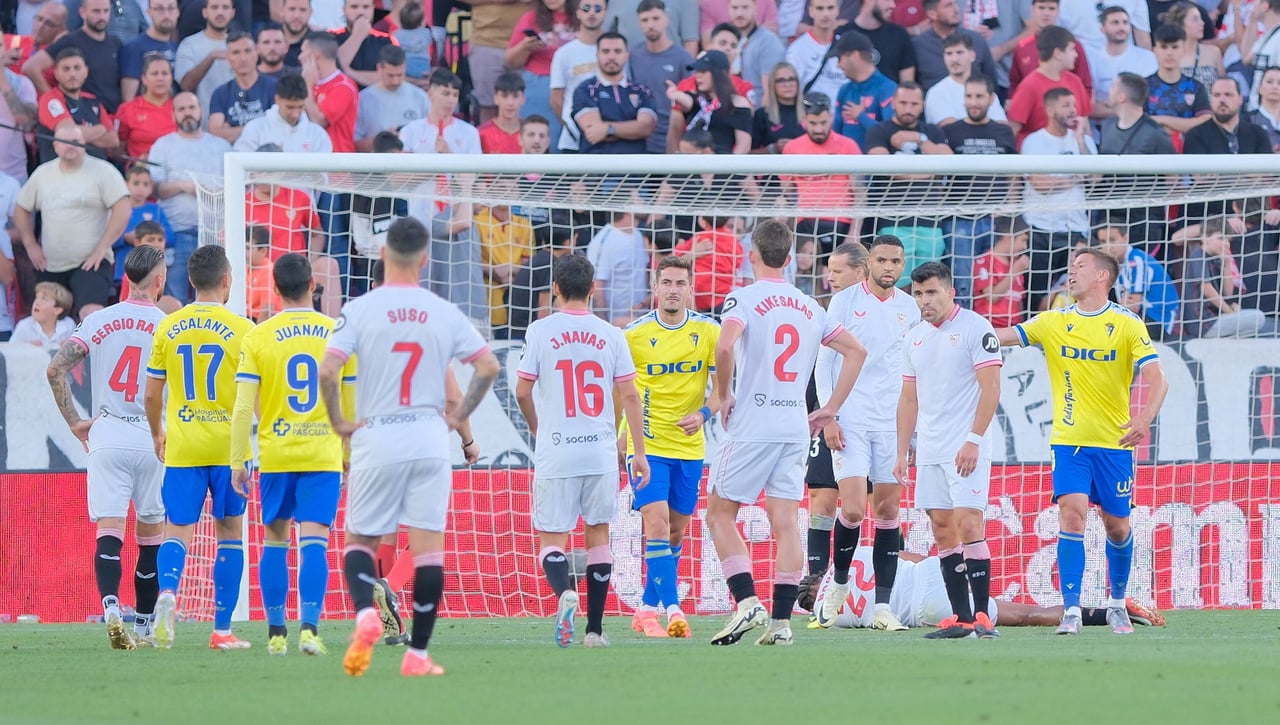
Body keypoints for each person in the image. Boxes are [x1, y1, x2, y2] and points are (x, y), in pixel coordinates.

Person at [321, 217, 499, 677]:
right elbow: (488, 366)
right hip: (427, 438)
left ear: (382, 255)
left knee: (359, 539)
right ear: (424, 259)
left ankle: (365, 614)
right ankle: (417, 655)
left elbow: (327, 370)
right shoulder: (441, 310)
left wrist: (339, 420)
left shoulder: (361, 309)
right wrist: (458, 420)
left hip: (377, 434)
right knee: (428, 552)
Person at [705, 219, 867, 646]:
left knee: (720, 513)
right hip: (795, 424)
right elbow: (856, 350)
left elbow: (724, 345)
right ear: (791, 257)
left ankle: (745, 601)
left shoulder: (743, 297)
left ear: (752, 254)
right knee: (784, 522)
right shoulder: (811, 306)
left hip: (753, 422)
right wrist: (829, 408)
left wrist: (724, 395)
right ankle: (781, 623)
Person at [994, 248, 1169, 634]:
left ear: (1103, 277)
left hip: (1114, 444)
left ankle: (1118, 603)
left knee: (1117, 526)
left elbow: (1159, 379)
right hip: (1069, 442)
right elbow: (1000, 337)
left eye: (1080, 267)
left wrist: (1143, 418)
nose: (1071, 273)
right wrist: (955, 327)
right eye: (1070, 267)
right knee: (1072, 514)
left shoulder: (1127, 324)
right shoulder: (1054, 321)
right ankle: (1071, 610)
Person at [515, 254, 650, 649]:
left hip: (557, 450)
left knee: (552, 541)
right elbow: (630, 395)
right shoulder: (611, 334)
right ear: (593, 289)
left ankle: (563, 595)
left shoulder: (541, 331)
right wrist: (638, 452)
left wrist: (538, 427)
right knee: (598, 537)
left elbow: (523, 391)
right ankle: (594, 630)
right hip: (599, 450)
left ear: (555, 289)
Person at [45, 246, 169, 649]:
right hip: (152, 437)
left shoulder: (98, 320)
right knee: (150, 535)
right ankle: (147, 626)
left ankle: (112, 607)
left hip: (107, 432)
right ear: (160, 280)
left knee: (110, 530)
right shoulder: (167, 325)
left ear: (124, 279)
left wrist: (74, 422)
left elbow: (55, 368)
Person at [230, 254, 351, 657]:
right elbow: (348, 398)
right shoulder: (336, 332)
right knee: (315, 540)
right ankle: (310, 629)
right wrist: (348, 450)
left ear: (276, 289)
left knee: (275, 540)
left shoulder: (258, 336)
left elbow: (243, 408)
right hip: (322, 451)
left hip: (277, 453)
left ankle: (276, 633)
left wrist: (238, 460)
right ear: (313, 284)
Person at [143, 245, 255, 651]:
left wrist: (158, 432)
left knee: (176, 532)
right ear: (227, 280)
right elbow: (252, 398)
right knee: (229, 535)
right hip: (230, 451)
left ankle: (167, 595)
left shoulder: (168, 327)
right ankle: (222, 630)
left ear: (190, 281)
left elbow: (152, 395)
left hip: (184, 447)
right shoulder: (244, 329)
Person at [813, 234, 919, 631]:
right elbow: (824, 362)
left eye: (896, 261)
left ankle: (883, 607)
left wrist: (911, 433)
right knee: (854, 508)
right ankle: (839, 583)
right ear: (868, 264)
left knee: (889, 511)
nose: (889, 268)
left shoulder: (911, 308)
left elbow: (913, 369)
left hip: (891, 422)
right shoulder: (845, 301)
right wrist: (830, 415)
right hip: (851, 418)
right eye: (882, 260)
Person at [893, 262, 1002, 639]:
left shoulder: (976, 328)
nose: (925, 300)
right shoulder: (914, 338)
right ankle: (961, 618)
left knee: (969, 523)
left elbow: (991, 388)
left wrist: (974, 438)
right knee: (942, 530)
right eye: (919, 294)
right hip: (930, 449)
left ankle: (984, 615)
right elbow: (909, 398)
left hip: (966, 446)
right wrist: (902, 448)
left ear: (951, 292)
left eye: (932, 292)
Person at [617, 255, 718, 638]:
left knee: (676, 533)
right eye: (667, 283)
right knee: (655, 525)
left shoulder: (709, 332)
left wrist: (705, 413)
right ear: (655, 288)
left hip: (690, 448)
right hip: (648, 446)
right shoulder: (635, 335)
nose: (673, 290)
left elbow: (724, 393)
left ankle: (644, 609)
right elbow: (622, 390)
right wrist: (621, 434)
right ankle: (674, 610)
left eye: (680, 284)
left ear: (690, 289)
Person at [805, 547, 1168, 630]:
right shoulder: (856, 554)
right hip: (932, 574)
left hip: (924, 608)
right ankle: (1115, 606)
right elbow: (903, 555)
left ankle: (1106, 615)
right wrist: (944, 567)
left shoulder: (828, 619)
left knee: (1026, 616)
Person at [800, 242, 867, 612]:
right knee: (822, 495)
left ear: (861, 272)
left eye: (838, 270)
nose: (830, 276)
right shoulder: (821, 312)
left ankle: (872, 586)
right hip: (824, 412)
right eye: (829, 269)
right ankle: (816, 582)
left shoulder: (888, 313)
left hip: (873, 422)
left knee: (876, 503)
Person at [15, 122, 130, 322]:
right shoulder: (42, 174)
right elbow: (21, 209)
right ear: (55, 145)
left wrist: (103, 247)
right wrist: (30, 244)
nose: (70, 145)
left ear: (84, 143)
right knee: (47, 323)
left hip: (90, 264)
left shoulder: (103, 170)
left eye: (75, 141)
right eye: (64, 141)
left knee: (90, 317)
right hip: (50, 266)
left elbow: (123, 208)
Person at [148, 93, 232, 303]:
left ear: (201, 111)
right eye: (181, 109)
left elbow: (233, 187)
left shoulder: (222, 147)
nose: (187, 113)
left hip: (214, 235)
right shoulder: (162, 145)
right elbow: (155, 188)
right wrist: (187, 186)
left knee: (213, 296)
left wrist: (206, 188)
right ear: (174, 114)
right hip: (176, 233)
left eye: (191, 108)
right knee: (175, 296)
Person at [1020, 88, 1095, 312]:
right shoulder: (1034, 142)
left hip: (1076, 229)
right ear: (1050, 110)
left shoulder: (1083, 142)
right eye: (1066, 105)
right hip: (1041, 229)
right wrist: (1074, 177)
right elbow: (1040, 184)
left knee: (1076, 291)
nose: (1073, 110)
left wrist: (1081, 138)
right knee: (1038, 292)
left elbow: (1095, 178)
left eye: (1074, 105)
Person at [23, 0, 122, 112]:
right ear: (82, 12)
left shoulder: (116, 43)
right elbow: (30, 67)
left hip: (115, 117)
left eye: (106, 11)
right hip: (85, 117)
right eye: (96, 11)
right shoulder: (70, 41)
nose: (102, 16)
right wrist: (55, 101)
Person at [1007, 25, 1092, 146]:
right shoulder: (1029, 86)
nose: (1076, 55)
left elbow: (1085, 125)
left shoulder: (1075, 82)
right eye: (1072, 49)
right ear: (1057, 53)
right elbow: (1013, 129)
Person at [571, 32, 657, 153]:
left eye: (617, 51)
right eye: (606, 51)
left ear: (627, 55)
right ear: (597, 55)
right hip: (596, 167)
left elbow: (645, 128)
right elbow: (593, 131)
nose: (611, 57)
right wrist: (631, 129)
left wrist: (608, 129)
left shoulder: (642, 91)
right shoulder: (585, 89)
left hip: (635, 168)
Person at [1095, 219, 1181, 340]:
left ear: (1125, 238)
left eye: (1112, 240)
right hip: (1141, 317)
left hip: (1158, 320)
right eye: (1103, 242)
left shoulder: (1137, 260)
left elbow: (1133, 305)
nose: (1108, 247)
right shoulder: (1117, 265)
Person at [630, 0, 694, 154]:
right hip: (637, 140)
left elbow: (693, 102)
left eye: (655, 18)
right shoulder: (633, 55)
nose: (650, 24)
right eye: (644, 20)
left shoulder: (683, 58)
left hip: (671, 140)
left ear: (666, 20)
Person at [35, 47, 117, 163]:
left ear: (85, 72)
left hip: (96, 171)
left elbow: (113, 140)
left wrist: (82, 133)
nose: (72, 74)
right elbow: (69, 135)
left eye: (77, 68)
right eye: (66, 69)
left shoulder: (93, 100)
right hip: (62, 173)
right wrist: (101, 128)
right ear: (56, 73)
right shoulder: (50, 99)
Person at [355, 45, 432, 152]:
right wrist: (383, 139)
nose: (395, 81)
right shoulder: (364, 100)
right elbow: (355, 144)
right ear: (379, 68)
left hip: (413, 163)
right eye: (390, 75)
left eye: (400, 75)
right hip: (378, 163)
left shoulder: (420, 97)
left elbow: (431, 134)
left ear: (405, 68)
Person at [830, 31, 897, 150]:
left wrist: (860, 116)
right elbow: (836, 133)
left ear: (855, 55)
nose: (838, 65)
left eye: (840, 58)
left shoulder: (887, 88)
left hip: (876, 164)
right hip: (845, 165)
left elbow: (892, 134)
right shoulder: (844, 90)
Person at [209, 31, 278, 145]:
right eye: (236, 52)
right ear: (228, 57)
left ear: (257, 52)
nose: (243, 58)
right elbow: (215, 134)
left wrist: (230, 131)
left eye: (248, 51)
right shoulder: (220, 93)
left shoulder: (274, 87)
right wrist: (261, 127)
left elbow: (278, 129)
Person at [925, 33, 1006, 125]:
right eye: (949, 53)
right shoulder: (936, 93)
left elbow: (1002, 126)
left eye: (959, 52)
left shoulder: (986, 90)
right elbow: (950, 128)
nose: (954, 59)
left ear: (972, 56)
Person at [1146, 23, 1211, 135]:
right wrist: (1185, 125)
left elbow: (1205, 121)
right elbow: (1139, 122)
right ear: (1155, 50)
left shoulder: (1196, 87)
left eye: (1175, 47)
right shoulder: (1143, 87)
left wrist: (1160, 120)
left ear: (1184, 50)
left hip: (1190, 149)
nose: (1169, 53)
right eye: (1164, 47)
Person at [175, 0, 236, 119]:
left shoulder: (241, 46)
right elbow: (186, 86)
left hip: (235, 125)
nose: (220, 12)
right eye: (214, 7)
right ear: (205, 12)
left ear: (232, 13)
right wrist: (211, 57)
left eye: (225, 7)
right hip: (202, 126)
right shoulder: (189, 45)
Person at [971, 215, 1030, 328]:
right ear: (1008, 238)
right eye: (1023, 241)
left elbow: (1019, 301)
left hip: (1014, 328)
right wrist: (1014, 272)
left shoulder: (1016, 263)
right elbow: (992, 297)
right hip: (990, 326)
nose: (1025, 246)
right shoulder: (984, 262)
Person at [114, 54, 177, 160]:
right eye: (154, 74)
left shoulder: (181, 108)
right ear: (144, 78)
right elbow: (117, 150)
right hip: (140, 170)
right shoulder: (128, 109)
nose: (160, 78)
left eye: (165, 73)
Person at [120, 0, 180, 103]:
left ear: (177, 12)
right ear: (149, 12)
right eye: (159, 9)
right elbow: (128, 100)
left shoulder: (177, 48)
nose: (166, 15)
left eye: (171, 8)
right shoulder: (135, 48)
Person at [331, 0, 397, 88]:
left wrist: (349, 72)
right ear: (344, 10)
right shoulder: (330, 37)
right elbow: (333, 69)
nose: (360, 12)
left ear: (373, 9)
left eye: (366, 7)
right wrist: (358, 35)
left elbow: (389, 77)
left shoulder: (387, 40)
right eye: (354, 7)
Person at [752, 61, 803, 153]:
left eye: (791, 79)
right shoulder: (762, 115)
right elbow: (749, 154)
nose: (787, 85)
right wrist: (772, 148)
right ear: (772, 85)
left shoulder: (810, 112)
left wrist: (797, 146)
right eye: (781, 80)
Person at [12, 280, 74, 350]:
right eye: (36, 297)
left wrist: (70, 348)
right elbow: (9, 352)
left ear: (57, 310)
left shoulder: (69, 325)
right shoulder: (24, 325)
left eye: (44, 299)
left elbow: (80, 352)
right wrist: (26, 347)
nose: (37, 302)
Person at [478, 72, 525, 154]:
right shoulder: (481, 133)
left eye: (515, 96)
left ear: (523, 99)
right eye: (504, 96)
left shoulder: (531, 133)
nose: (510, 103)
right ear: (495, 99)